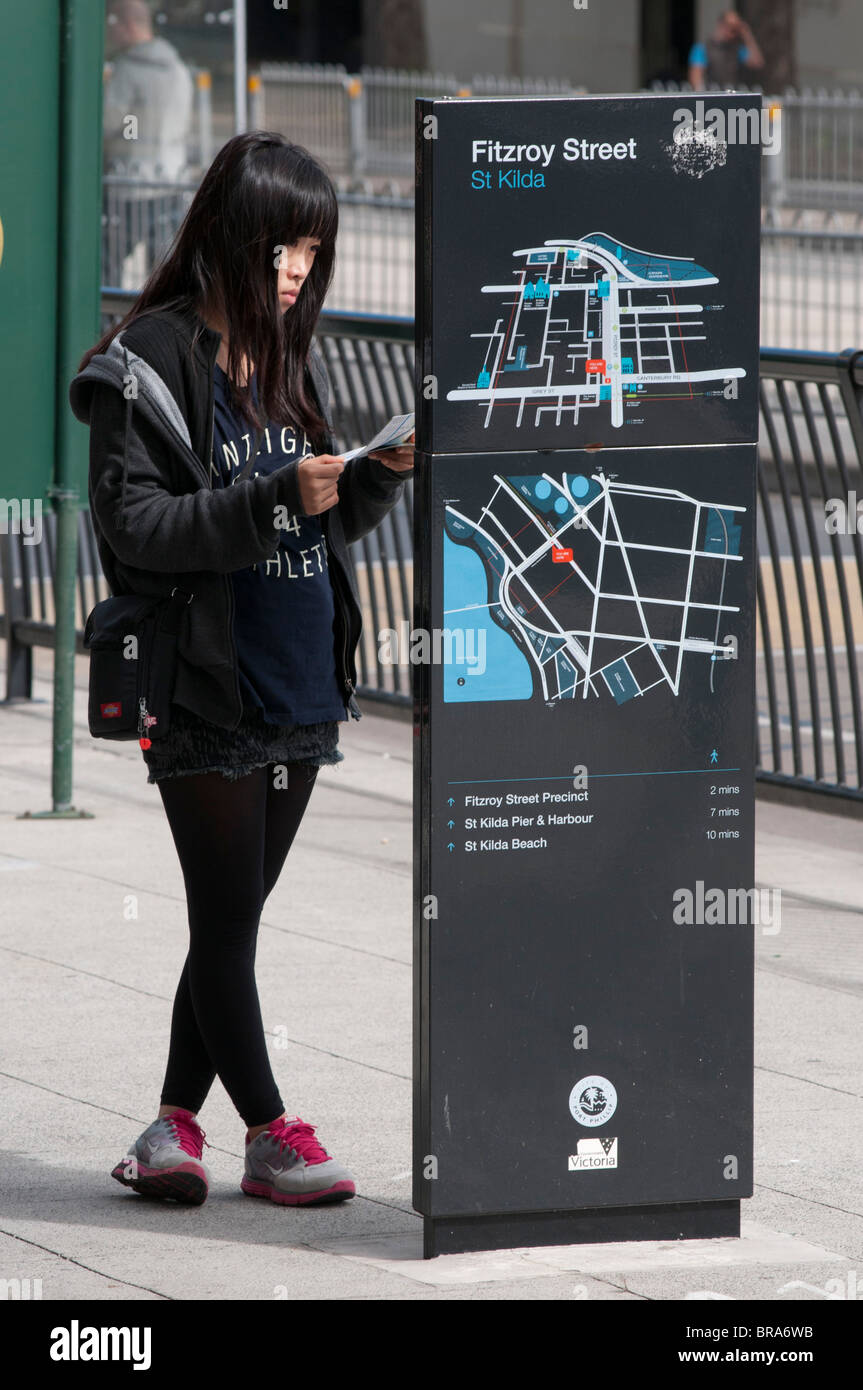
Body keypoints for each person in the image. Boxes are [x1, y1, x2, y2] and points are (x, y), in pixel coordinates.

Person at [69, 131, 415, 1208]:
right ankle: (270, 1130)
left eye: (314, 250)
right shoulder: (144, 362)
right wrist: (275, 499)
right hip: (204, 684)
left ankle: (170, 1127)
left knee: (233, 922)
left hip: (299, 679)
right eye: (283, 248)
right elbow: (134, 527)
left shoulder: (278, 354)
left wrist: (371, 478)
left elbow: (311, 520)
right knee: (224, 922)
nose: (298, 272)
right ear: (229, 234)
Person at [687, 9, 764, 91]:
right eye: (730, 27)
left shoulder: (737, 49)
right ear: (721, 25)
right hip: (711, 96)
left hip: (732, 96)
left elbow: (757, 63)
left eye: (736, 28)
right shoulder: (702, 48)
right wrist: (701, 101)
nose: (733, 32)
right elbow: (695, 79)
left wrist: (747, 35)